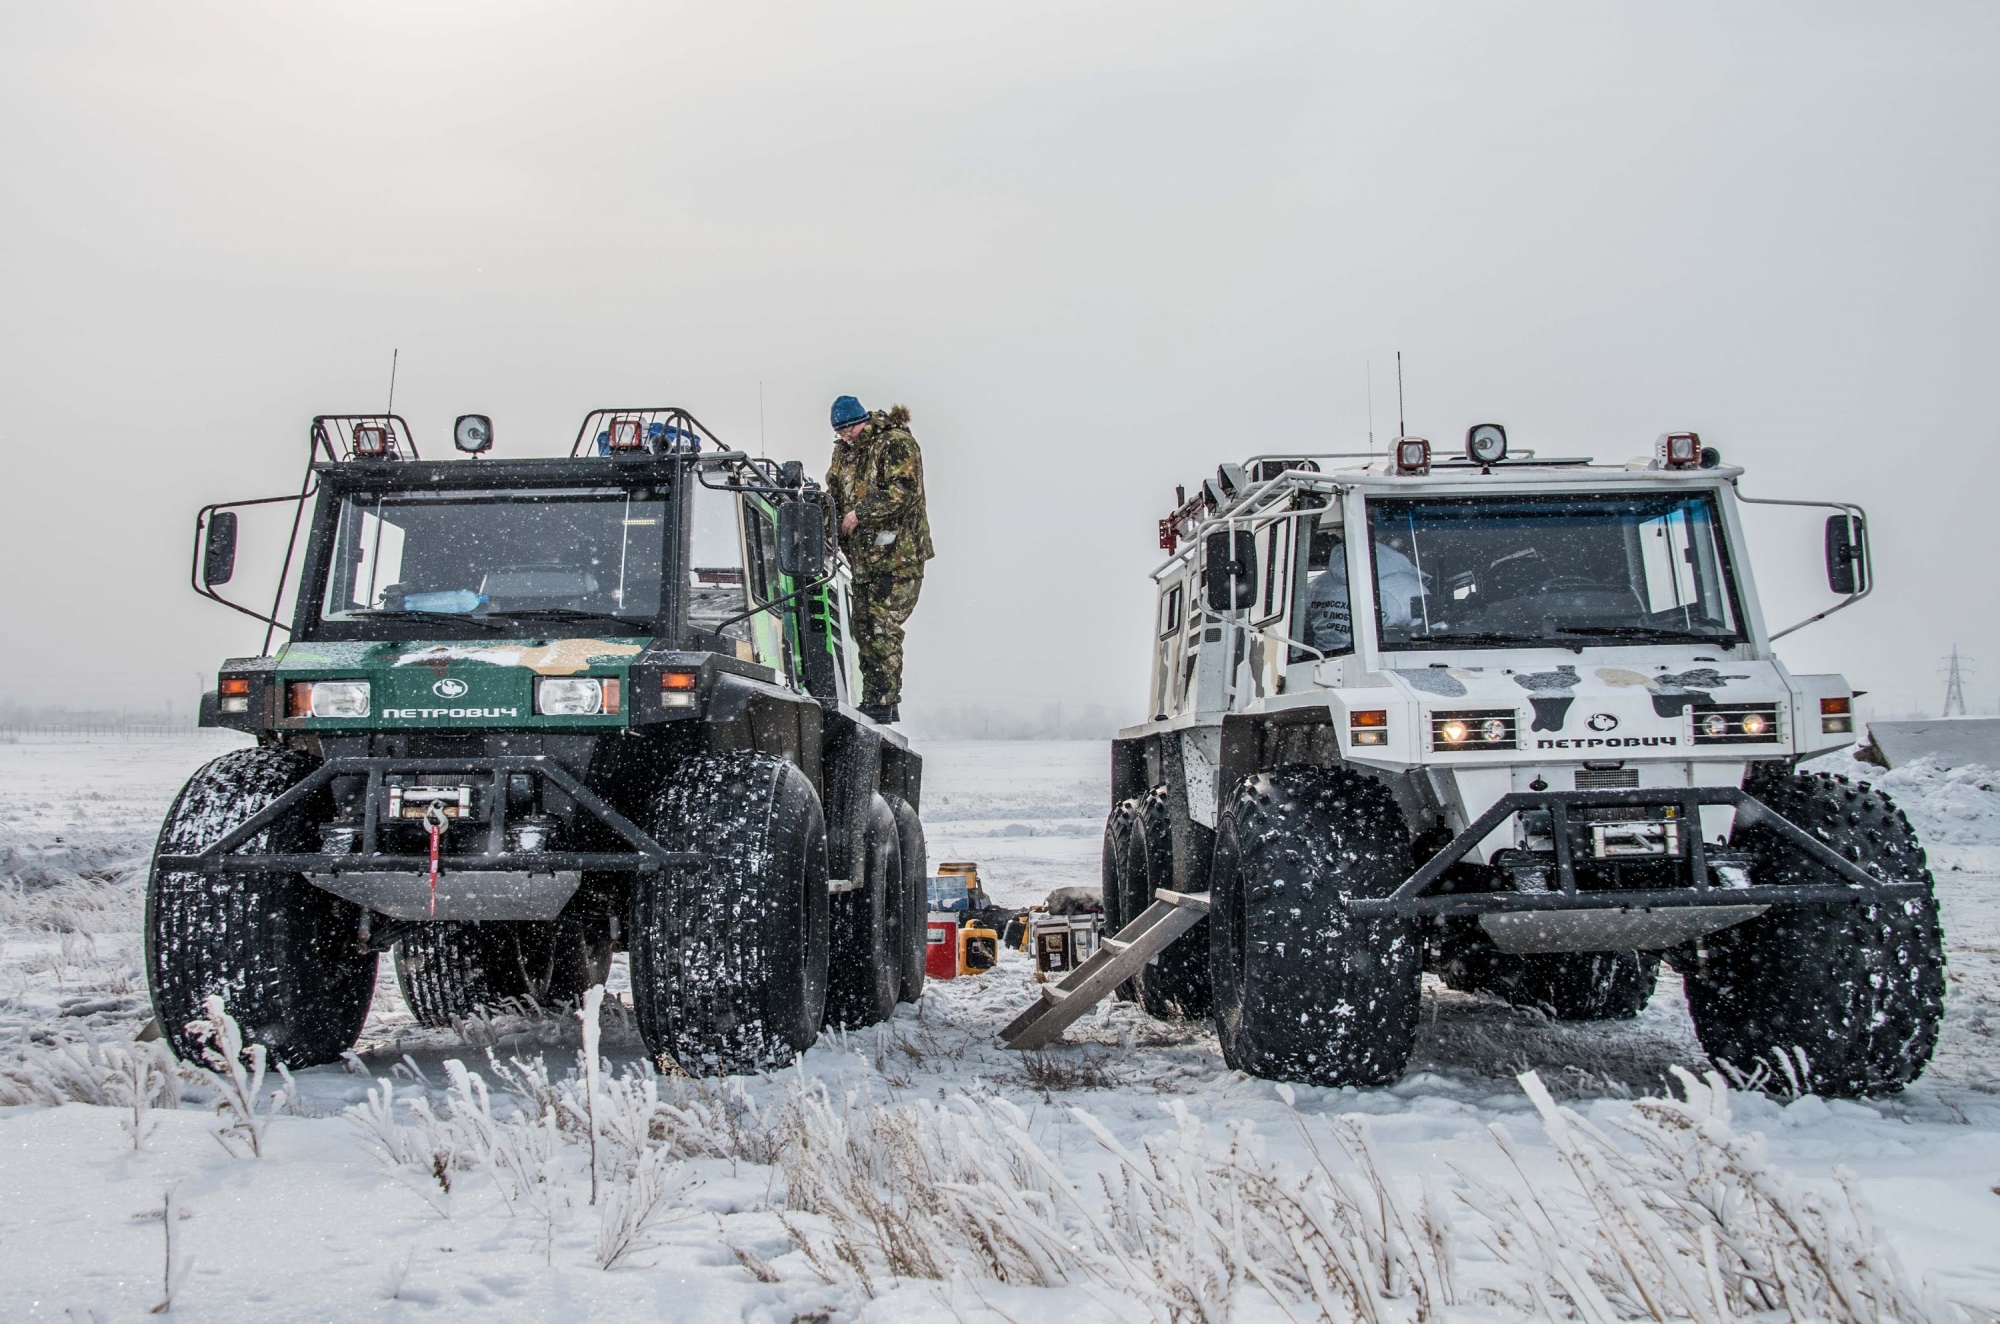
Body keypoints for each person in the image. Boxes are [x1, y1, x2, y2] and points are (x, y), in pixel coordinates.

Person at [823, 395, 933, 723]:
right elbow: (835, 495)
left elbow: (904, 490)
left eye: (849, 428)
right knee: (864, 626)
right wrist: (831, 530)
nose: (846, 435)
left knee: (883, 625)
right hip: (864, 558)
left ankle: (883, 703)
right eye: (840, 431)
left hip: (899, 555)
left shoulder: (895, 443)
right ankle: (874, 698)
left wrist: (861, 513)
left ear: (863, 420)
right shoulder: (843, 453)